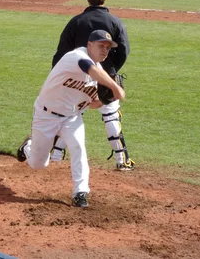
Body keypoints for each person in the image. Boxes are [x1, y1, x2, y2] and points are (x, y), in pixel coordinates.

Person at [17, 29, 126, 208]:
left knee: (78, 147)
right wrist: (114, 87)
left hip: (71, 117)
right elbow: (88, 68)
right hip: (46, 115)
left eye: (108, 47)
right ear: (89, 45)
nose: (105, 50)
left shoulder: (98, 74)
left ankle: (80, 192)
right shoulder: (76, 57)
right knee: (38, 164)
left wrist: (107, 99)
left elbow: (92, 104)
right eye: (101, 46)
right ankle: (28, 147)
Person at [50, 0, 132, 171]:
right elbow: (124, 51)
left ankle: (55, 155)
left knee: (71, 114)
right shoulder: (115, 22)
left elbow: (62, 52)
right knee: (110, 114)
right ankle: (122, 161)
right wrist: (110, 71)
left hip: (77, 78)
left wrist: (63, 76)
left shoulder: (76, 21)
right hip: (106, 76)